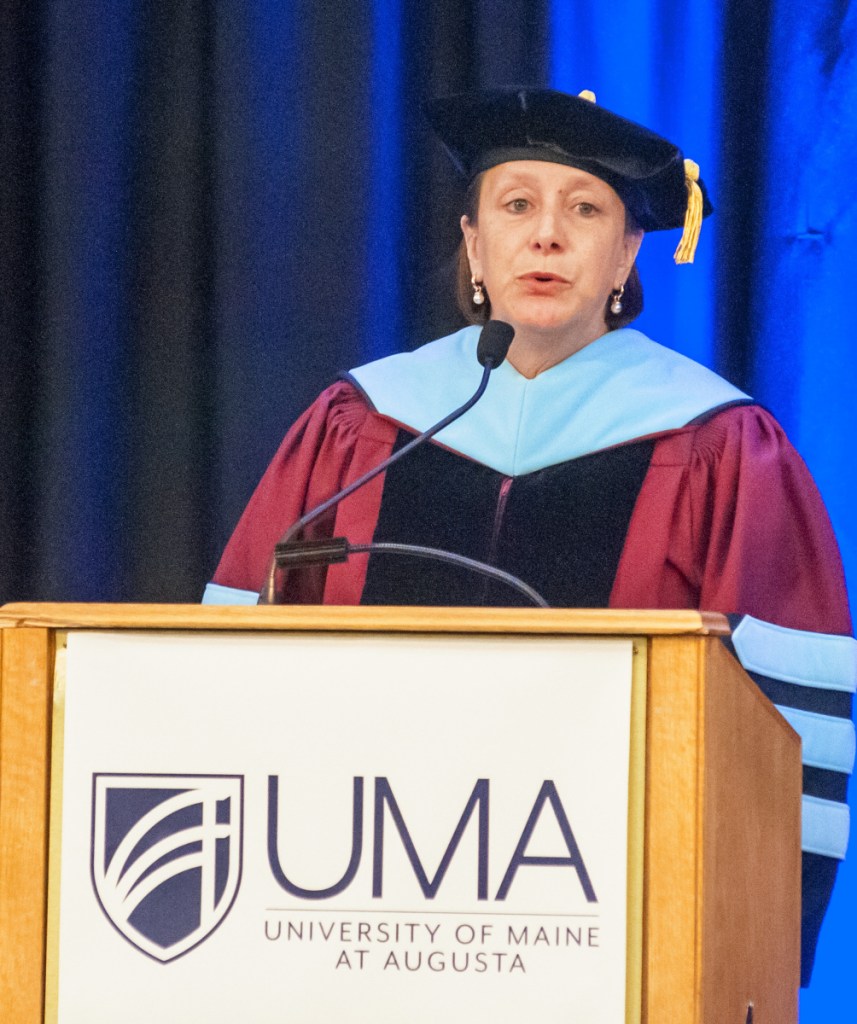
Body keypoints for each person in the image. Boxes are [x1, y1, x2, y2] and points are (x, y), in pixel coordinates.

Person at [203, 88, 854, 984]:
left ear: (627, 255)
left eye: (584, 210)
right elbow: (229, 662)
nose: (546, 235)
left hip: (612, 917)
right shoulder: (361, 423)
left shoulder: (718, 445)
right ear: (474, 244)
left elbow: (787, 726)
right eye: (516, 205)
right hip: (348, 908)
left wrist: (749, 940)